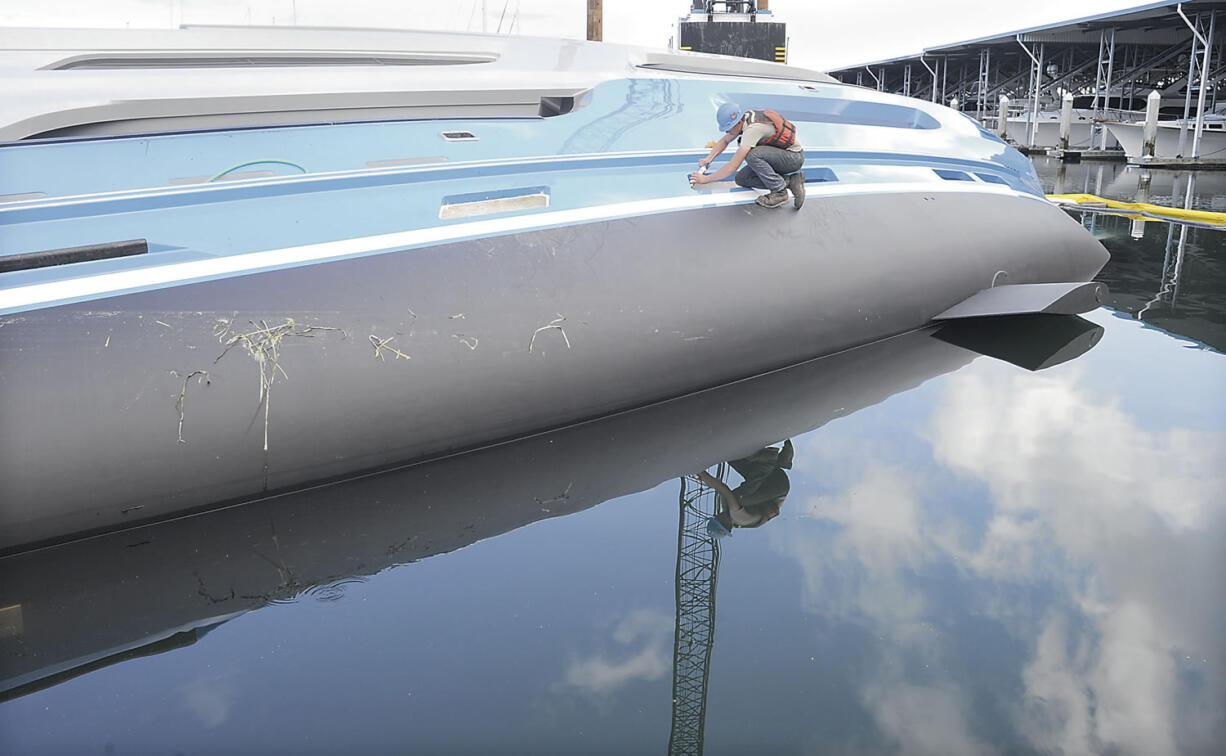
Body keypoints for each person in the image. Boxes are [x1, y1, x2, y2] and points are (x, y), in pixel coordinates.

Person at [689, 102, 805, 209]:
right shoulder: (743, 120)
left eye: (728, 129)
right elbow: (725, 141)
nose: (727, 132)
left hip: (793, 158)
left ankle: (780, 192)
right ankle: (790, 181)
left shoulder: (753, 129)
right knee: (742, 179)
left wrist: (706, 179)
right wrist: (708, 159)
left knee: (753, 155)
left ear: (738, 122)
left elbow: (732, 166)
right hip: (779, 156)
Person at [696, 439, 794, 537]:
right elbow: (725, 491)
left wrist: (702, 477)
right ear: (728, 526)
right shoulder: (738, 518)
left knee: (733, 460)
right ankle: (768, 461)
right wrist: (702, 474)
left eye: (717, 518)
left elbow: (719, 486)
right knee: (740, 498)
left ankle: (780, 461)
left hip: (770, 478)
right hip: (778, 487)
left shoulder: (726, 508)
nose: (719, 516)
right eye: (720, 520)